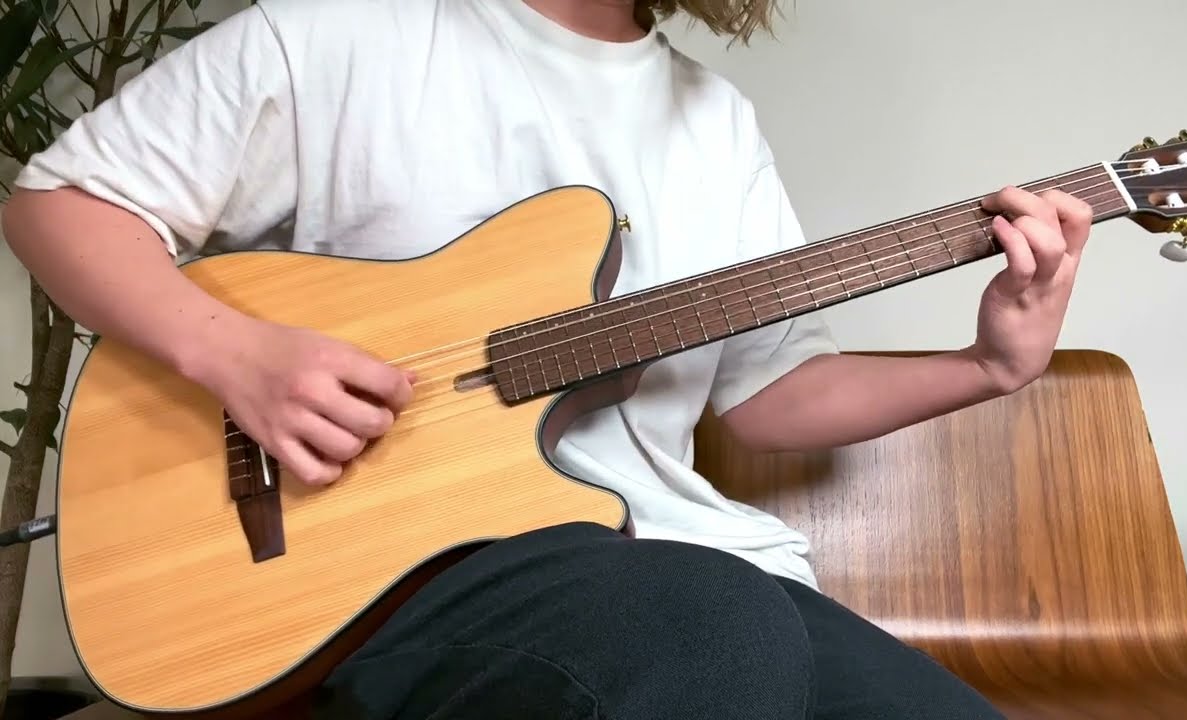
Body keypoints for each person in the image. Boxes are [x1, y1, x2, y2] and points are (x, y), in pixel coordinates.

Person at [2, 0, 1093, 718]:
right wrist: (234, 355)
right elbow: (61, 202)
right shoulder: (339, 34)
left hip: (689, 568)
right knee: (715, 632)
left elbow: (764, 397)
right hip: (408, 575)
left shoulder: (714, 119)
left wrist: (985, 366)